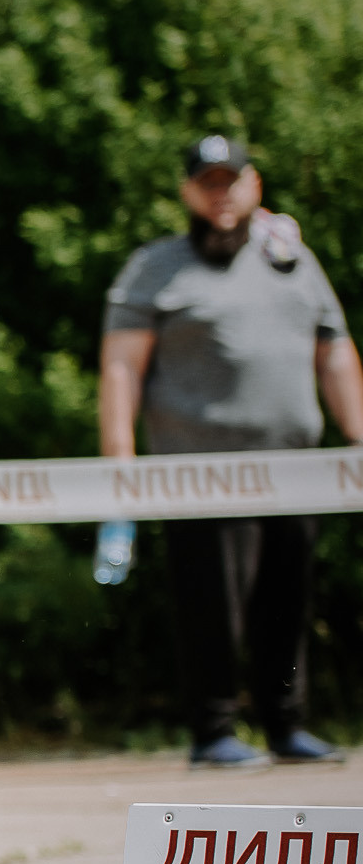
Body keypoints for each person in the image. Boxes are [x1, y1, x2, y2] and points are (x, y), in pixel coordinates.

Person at [100, 133, 363, 768]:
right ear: (188, 191)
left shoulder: (293, 261)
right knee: (211, 603)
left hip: (297, 468)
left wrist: (360, 444)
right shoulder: (154, 268)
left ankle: (285, 725)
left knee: (287, 598)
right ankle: (213, 732)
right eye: (207, 182)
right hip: (199, 473)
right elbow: (120, 369)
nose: (221, 194)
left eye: (231, 180)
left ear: (254, 186)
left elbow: (334, 353)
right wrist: (118, 468)